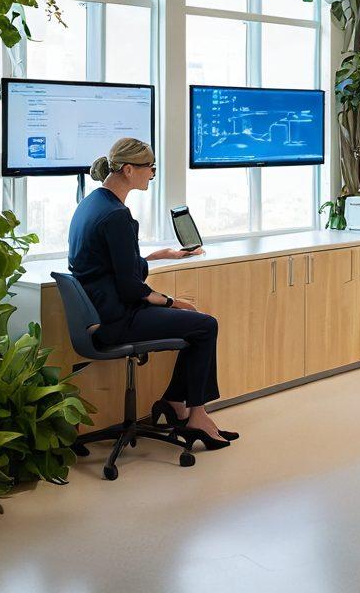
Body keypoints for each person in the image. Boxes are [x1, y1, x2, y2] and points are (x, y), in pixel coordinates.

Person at [68, 137, 237, 449]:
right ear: (130, 170)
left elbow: (110, 265)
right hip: (117, 320)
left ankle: (176, 402)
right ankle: (194, 414)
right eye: (150, 168)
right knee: (204, 324)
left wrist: (162, 256)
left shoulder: (93, 204)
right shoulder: (117, 215)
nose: (152, 175)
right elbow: (131, 287)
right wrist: (174, 302)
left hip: (99, 315)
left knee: (195, 325)